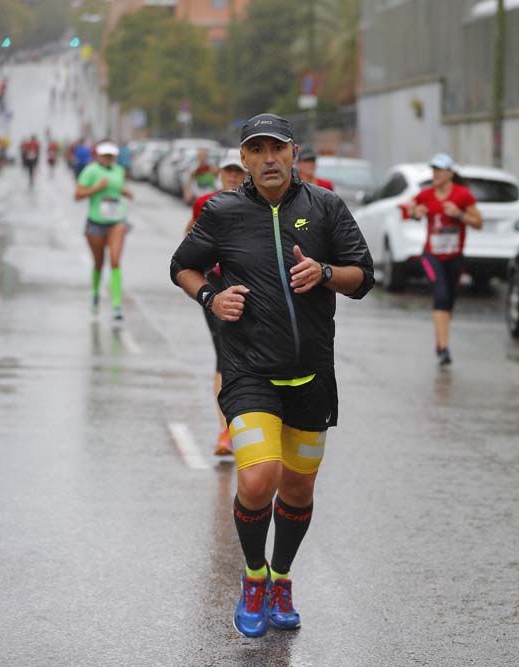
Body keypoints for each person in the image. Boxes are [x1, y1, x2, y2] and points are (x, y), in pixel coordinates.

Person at [170, 113, 374, 638]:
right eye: (255, 151)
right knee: (260, 479)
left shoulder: (325, 207)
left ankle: (282, 578)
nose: (267, 159)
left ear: (293, 152)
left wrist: (325, 273)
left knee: (300, 489)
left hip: (310, 375)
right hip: (248, 371)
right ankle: (254, 576)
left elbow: (363, 276)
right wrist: (211, 297)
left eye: (276, 149)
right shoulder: (222, 212)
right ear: (244, 160)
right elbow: (182, 266)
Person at [182, 150, 248, 457]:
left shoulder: (257, 205)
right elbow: (189, 243)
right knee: (225, 356)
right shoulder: (205, 204)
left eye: (238, 171)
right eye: (228, 172)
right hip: (218, 287)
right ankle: (226, 431)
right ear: (219, 174)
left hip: (252, 287)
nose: (233, 177)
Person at [405, 153, 482, 366]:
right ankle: (444, 349)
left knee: (449, 301)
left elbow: (478, 222)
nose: (436, 174)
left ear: (449, 173)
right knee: (440, 294)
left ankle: (441, 341)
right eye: (434, 170)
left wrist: (459, 215)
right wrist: (415, 212)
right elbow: (410, 208)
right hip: (432, 255)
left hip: (455, 257)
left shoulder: (462, 195)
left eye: (440, 170)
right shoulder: (426, 194)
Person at [75, 141, 134, 320]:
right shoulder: (91, 170)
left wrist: (125, 192)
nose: (109, 159)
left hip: (117, 221)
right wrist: (96, 188)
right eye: (105, 155)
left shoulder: (119, 171)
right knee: (99, 263)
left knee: (115, 261)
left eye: (112, 156)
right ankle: (95, 294)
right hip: (96, 222)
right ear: (99, 156)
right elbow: (77, 195)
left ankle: (116, 305)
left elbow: (117, 187)